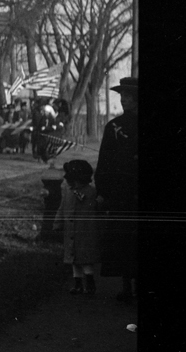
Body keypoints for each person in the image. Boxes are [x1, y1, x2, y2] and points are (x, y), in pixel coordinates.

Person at [96, 76, 139, 303]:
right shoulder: (113, 127)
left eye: (128, 96)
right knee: (123, 239)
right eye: (121, 95)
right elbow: (104, 162)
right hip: (120, 193)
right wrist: (102, 190)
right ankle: (126, 287)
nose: (123, 100)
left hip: (138, 194)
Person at [59, 158, 103, 295]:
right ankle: (78, 283)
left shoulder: (91, 192)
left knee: (85, 258)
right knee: (74, 259)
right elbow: (62, 208)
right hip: (71, 230)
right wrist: (58, 222)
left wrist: (100, 203)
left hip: (86, 231)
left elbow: (97, 208)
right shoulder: (68, 192)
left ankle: (89, 282)